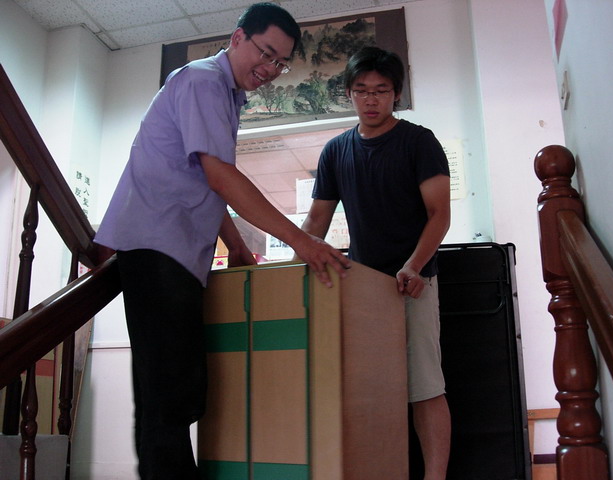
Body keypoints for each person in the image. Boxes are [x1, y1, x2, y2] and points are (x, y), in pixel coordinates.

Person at [94, 3, 350, 479]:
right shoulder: (203, 81)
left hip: (174, 250)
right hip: (156, 245)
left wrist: (235, 245)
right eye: (266, 53)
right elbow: (221, 176)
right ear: (237, 38)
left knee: (174, 390)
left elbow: (206, 182)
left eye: (281, 63)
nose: (270, 69)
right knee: (170, 394)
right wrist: (303, 242)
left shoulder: (227, 96)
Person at [300, 46, 451, 480]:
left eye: (381, 90)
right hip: (362, 287)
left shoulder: (419, 142)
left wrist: (414, 266)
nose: (371, 99)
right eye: (362, 90)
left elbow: (440, 214)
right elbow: (316, 221)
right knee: (369, 391)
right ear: (348, 93)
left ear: (396, 94)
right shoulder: (335, 151)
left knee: (424, 388)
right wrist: (291, 277)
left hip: (413, 282)